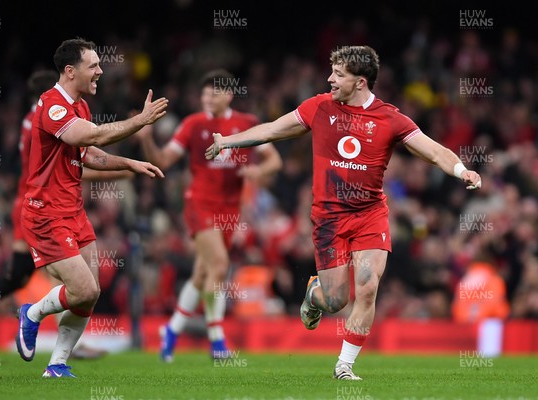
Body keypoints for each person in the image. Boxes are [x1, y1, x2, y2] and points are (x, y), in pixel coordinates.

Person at [206, 46, 482, 380]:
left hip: (370, 214)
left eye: (338, 74)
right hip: (329, 218)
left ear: (360, 82)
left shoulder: (390, 118)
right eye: (332, 72)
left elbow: (433, 150)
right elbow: (273, 129)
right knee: (335, 300)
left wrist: (460, 170)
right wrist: (228, 141)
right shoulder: (319, 107)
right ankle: (314, 294)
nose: (330, 79)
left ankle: (344, 366)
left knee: (367, 286)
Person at [0, 70, 126, 359]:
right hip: (41, 206)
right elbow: (70, 167)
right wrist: (121, 170)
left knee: (19, 274)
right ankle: (67, 343)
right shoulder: (50, 119)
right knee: (64, 271)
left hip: (31, 203)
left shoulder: (33, 119)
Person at [16, 37, 168, 378]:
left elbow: (88, 154)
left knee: (89, 295)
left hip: (73, 211)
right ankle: (32, 313)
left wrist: (129, 163)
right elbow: (94, 137)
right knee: (83, 289)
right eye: (93, 66)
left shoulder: (80, 106)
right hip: (46, 212)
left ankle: (56, 365)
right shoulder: (53, 105)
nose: (100, 71)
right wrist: (140, 121)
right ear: (70, 71)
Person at [139, 69, 282, 362]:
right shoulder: (193, 124)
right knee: (219, 264)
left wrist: (259, 171)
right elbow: (163, 160)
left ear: (228, 95)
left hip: (230, 209)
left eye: (212, 93)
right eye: (203, 93)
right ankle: (217, 339)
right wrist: (146, 139)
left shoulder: (247, 123)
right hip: (200, 203)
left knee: (203, 273)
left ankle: (172, 329)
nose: (207, 97)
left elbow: (274, 161)